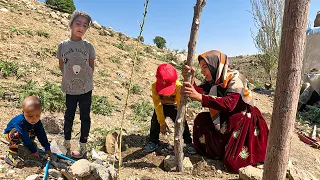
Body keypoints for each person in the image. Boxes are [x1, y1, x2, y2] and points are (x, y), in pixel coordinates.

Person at [181, 50, 269, 172]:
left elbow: (230, 104)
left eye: (205, 67)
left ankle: (233, 153)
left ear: (215, 65)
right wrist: (191, 78)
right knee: (202, 119)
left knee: (233, 163)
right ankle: (221, 150)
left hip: (244, 119)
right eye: (201, 68)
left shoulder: (235, 77)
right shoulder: (213, 82)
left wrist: (200, 97)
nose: (203, 71)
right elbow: (200, 92)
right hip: (228, 119)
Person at [56, 11, 96, 158]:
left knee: (85, 117)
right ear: (71, 24)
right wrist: (67, 77)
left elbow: (92, 65)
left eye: (85, 25)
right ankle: (67, 147)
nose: (81, 27)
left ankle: (83, 148)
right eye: (78, 23)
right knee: (69, 117)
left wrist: (87, 78)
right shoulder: (63, 45)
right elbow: (61, 64)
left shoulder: (89, 46)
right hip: (70, 89)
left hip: (86, 88)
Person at [143, 63, 196, 154]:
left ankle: (188, 142)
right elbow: (157, 104)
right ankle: (154, 141)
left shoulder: (178, 86)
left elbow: (180, 105)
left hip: (174, 106)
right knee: (155, 121)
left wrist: (180, 118)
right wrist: (162, 123)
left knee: (183, 122)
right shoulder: (154, 86)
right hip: (162, 106)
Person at [3, 96, 52, 167]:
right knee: (16, 134)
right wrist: (33, 150)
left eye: (37, 115)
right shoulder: (19, 121)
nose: (34, 119)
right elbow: (24, 136)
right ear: (23, 112)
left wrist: (47, 147)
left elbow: (41, 134)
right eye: (30, 116)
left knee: (35, 130)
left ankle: (28, 145)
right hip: (11, 135)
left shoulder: (37, 122)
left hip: (25, 134)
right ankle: (11, 155)